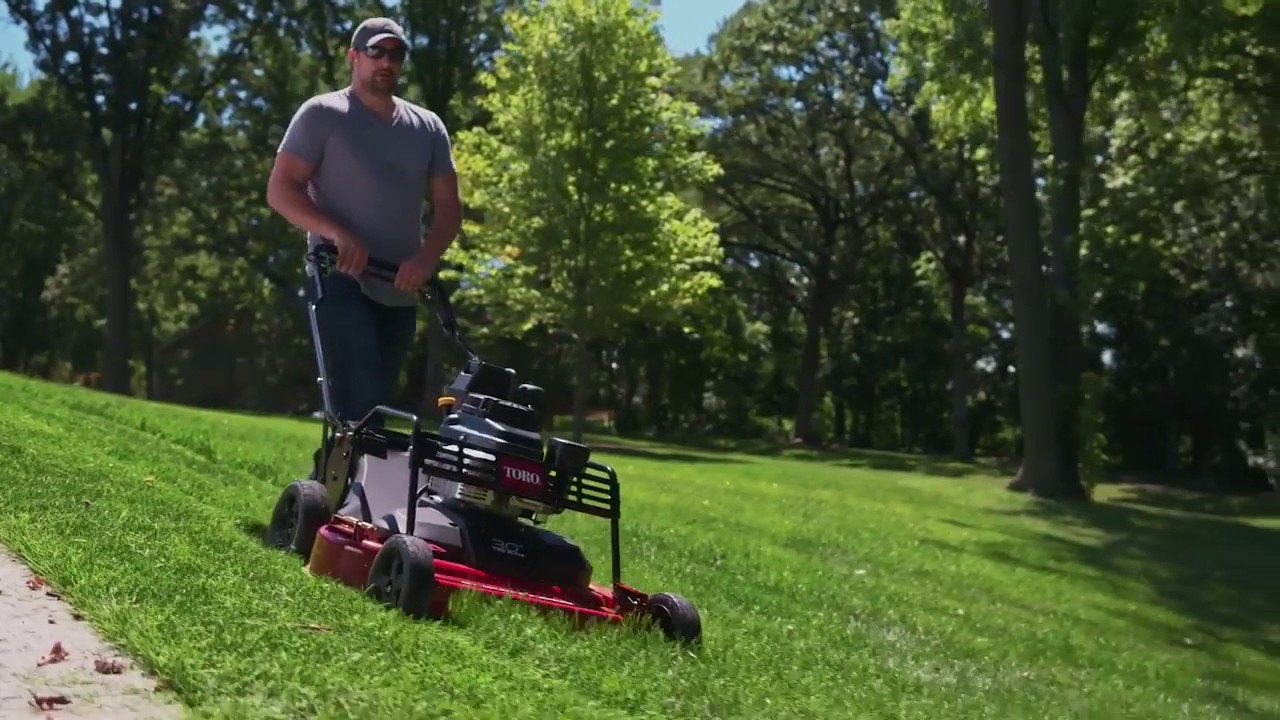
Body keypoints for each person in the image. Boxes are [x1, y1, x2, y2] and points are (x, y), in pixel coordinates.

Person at [266, 16, 462, 426]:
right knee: (359, 400)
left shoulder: (428, 128)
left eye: (396, 54)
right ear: (354, 56)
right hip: (339, 278)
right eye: (377, 52)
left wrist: (425, 260)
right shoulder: (323, 114)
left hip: (400, 287)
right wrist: (337, 233)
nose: (387, 62)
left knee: (372, 409)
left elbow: (448, 209)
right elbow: (281, 190)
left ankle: (340, 470)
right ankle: (348, 465)